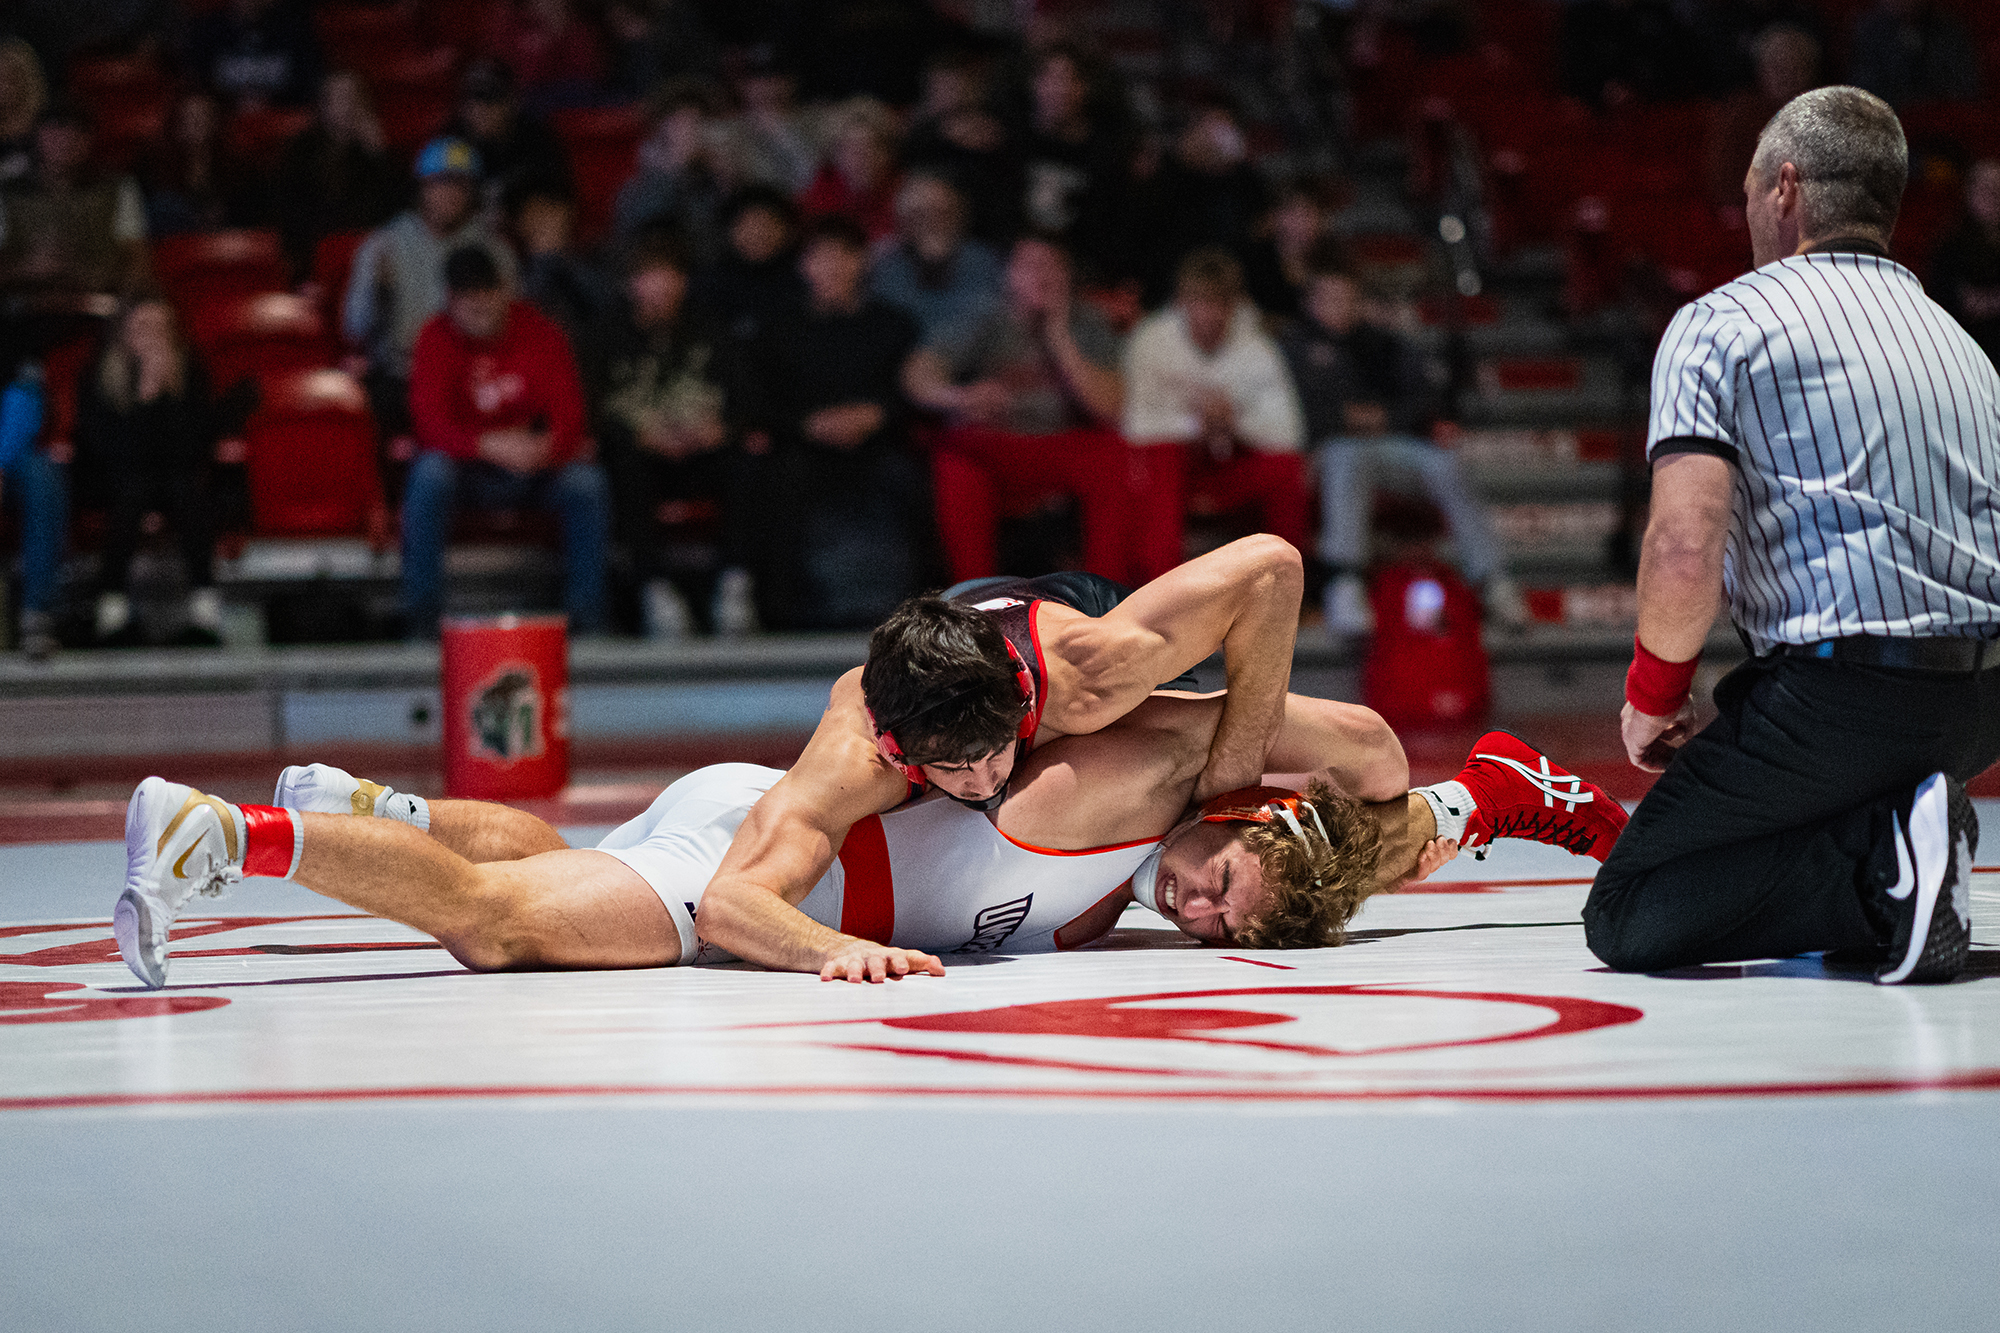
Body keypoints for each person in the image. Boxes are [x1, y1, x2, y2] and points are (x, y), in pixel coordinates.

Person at [113, 571, 1628, 987]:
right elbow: (740, 890)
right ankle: (222, 836)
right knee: (502, 924)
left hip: (750, 820)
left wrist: (1259, 799)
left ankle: (386, 812)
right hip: (772, 864)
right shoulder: (907, 750)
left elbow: (1360, 768)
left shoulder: (1167, 759)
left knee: (565, 854)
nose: (1201, 917)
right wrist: (840, 949)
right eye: (1224, 891)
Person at [1586, 87, 1997, 987]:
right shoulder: (1963, 347)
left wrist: (1653, 695)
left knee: (1631, 904)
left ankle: (1883, 863)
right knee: (1789, 774)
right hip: (1979, 707)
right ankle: (1906, 833)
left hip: (1844, 695)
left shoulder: (1722, 323)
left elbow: (1684, 545)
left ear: (1783, 189)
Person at [1279, 252, 1515, 636]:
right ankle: (1345, 582)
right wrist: (1350, 418)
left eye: (1349, 299)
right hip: (1325, 454)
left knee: (1445, 462)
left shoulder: (1383, 344)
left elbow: (1422, 398)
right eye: (1331, 299)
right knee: (1346, 456)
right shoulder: (1293, 347)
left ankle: (1493, 580)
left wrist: (1380, 418)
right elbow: (1298, 412)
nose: (1341, 308)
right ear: (1311, 303)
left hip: (1392, 446)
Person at [400, 245, 609, 639]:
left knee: (586, 484)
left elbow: (570, 415)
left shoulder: (541, 332)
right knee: (428, 476)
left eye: (486, 295)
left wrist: (544, 449)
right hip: (468, 472)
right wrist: (486, 445)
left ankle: (589, 621)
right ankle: (422, 623)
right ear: (450, 300)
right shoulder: (435, 337)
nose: (478, 307)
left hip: (533, 469)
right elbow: (429, 424)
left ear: (504, 292)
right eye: (466, 300)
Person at [903, 234, 1133, 586]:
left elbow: (1109, 407)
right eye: (1030, 266)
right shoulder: (985, 317)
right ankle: (975, 602)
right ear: (1010, 275)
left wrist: (1059, 335)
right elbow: (917, 373)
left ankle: (1104, 598)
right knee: (955, 460)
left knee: (1114, 455)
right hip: (998, 444)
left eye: (1052, 266)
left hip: (1063, 444)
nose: (1042, 275)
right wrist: (959, 397)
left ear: (1068, 276)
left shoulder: (1088, 321)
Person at [739, 214, 924, 629]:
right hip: (801, 444)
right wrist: (808, 424)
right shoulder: (777, 330)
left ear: (863, 262)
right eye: (821, 257)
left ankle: (916, 612)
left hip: (877, 443)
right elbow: (757, 402)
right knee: (774, 477)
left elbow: (912, 393)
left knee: (909, 477)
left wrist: (875, 415)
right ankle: (780, 613)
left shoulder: (893, 324)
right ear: (804, 265)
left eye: (845, 256)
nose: (834, 267)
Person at [581, 230, 755, 639]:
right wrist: (640, 436)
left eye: (670, 275)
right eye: (649, 276)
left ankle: (734, 586)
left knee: (749, 463)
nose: (660, 286)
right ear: (630, 283)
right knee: (620, 465)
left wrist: (721, 430)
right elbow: (590, 412)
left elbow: (748, 400)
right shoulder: (602, 336)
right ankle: (655, 591)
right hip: (641, 454)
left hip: (703, 451)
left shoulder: (711, 331)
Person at [1122, 248, 1312, 583]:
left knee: (1287, 469)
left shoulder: (1258, 349)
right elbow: (1137, 423)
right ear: (1182, 301)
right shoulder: (1152, 340)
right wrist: (1198, 423)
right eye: (1201, 302)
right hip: (1175, 467)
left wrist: (1232, 420)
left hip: (1231, 459)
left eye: (1220, 303)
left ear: (1235, 305)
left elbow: (1289, 432)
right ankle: (1158, 589)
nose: (1210, 314)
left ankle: (1287, 587)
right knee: (1160, 459)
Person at [341, 137, 515, 461]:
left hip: (472, 376)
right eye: (440, 182)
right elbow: (354, 328)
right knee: (365, 408)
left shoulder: (494, 251)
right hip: (403, 375)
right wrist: (375, 289)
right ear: (422, 187)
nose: (449, 193)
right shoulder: (385, 244)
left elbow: (513, 327)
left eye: (460, 184)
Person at [74, 296, 224, 647]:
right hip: (113, 482)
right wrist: (144, 396)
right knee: (133, 490)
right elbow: (111, 456)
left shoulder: (192, 374)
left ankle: (204, 606)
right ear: (123, 334)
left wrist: (166, 396)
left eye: (160, 330)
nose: (152, 339)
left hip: (175, 480)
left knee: (184, 489)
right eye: (142, 329)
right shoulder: (98, 377)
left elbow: (192, 452)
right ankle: (112, 607)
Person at [0, 102, 150, 302]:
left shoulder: (118, 187)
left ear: (90, 140)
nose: (65, 141)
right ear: (37, 136)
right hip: (21, 312)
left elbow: (137, 260)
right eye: (56, 131)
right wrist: (28, 268)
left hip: (99, 307)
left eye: (76, 132)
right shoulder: (8, 191)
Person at [270, 68, 401, 280]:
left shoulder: (376, 154)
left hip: (368, 265)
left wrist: (378, 156)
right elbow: (290, 215)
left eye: (354, 97)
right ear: (324, 103)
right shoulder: (300, 151)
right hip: (312, 262)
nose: (348, 106)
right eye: (340, 97)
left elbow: (393, 215)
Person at [868, 171, 1003, 340]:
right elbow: (883, 319)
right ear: (905, 218)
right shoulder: (887, 262)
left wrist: (939, 352)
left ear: (958, 214)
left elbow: (982, 317)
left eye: (941, 212)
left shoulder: (982, 260)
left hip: (965, 357)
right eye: (920, 213)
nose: (931, 222)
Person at [611, 77, 726, 262]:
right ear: (660, 128)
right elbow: (643, 232)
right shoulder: (638, 185)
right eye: (678, 123)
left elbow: (722, 239)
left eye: (697, 122)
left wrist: (725, 178)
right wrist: (674, 170)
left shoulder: (716, 176)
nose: (689, 132)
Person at [443, 57, 574, 215]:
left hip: (517, 214)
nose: (480, 110)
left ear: (511, 102)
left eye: (490, 99)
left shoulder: (534, 136)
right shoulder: (450, 138)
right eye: (473, 100)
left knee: (549, 212)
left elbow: (555, 188)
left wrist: (509, 194)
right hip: (464, 220)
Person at [0, 350, 65, 659]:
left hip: (8, 463)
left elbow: (24, 407)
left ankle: (35, 616)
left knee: (43, 473)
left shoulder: (14, 342)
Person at [135, 88, 262, 237]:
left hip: (226, 238)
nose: (196, 123)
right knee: (166, 206)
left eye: (203, 116)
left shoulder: (237, 166)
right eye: (189, 117)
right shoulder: (156, 163)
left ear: (215, 121)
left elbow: (243, 209)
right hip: (177, 239)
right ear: (177, 123)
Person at [1926, 159, 2000, 370]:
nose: (1994, 196)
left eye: (1998, 189)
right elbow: (1962, 304)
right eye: (1986, 188)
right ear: (1970, 193)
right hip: (1970, 356)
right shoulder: (1951, 245)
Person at [185, 0, 323, 111]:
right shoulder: (208, 31)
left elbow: (308, 84)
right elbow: (198, 85)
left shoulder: (294, 29)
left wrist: (270, 101)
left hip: (280, 118)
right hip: (222, 119)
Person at [797, 97, 901, 244]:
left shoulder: (903, 193)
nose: (862, 156)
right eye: (850, 148)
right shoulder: (814, 199)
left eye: (872, 147)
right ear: (834, 153)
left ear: (888, 153)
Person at [1847, 0, 1980, 108]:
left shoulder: (1948, 31)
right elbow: (1865, 93)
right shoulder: (1870, 33)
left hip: (1940, 124)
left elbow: (1965, 90)